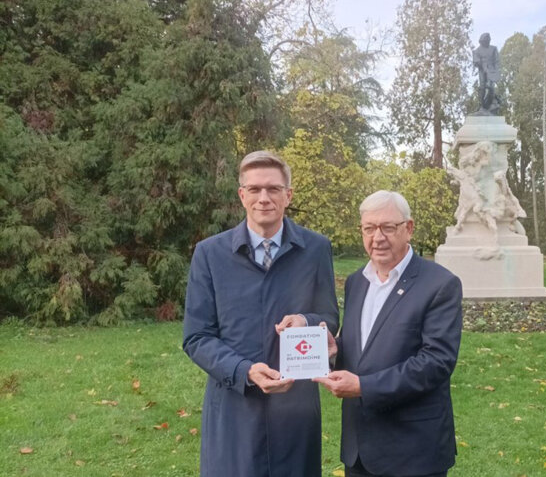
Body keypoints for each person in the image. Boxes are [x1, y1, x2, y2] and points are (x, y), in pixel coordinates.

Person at [183, 150, 339, 477]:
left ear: (288, 195)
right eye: (254, 189)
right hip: (234, 406)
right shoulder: (210, 254)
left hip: (296, 408)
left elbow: (329, 316)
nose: (264, 198)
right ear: (242, 195)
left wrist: (307, 321)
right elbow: (197, 337)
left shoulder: (315, 249)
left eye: (273, 189)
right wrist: (244, 371)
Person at [312, 190, 463, 477]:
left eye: (388, 227)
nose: (377, 237)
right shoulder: (357, 282)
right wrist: (335, 351)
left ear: (409, 228)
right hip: (359, 452)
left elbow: (436, 362)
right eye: (369, 228)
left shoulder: (440, 284)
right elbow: (367, 347)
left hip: (413, 452)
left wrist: (363, 387)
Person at [472, 32, 501, 114]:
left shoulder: (493, 49)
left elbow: (497, 61)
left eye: (488, 40)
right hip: (482, 71)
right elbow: (476, 61)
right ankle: (482, 105)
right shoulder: (477, 51)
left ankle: (490, 104)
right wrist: (482, 66)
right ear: (482, 41)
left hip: (492, 71)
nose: (488, 42)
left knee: (491, 87)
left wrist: (496, 72)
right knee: (482, 87)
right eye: (486, 40)